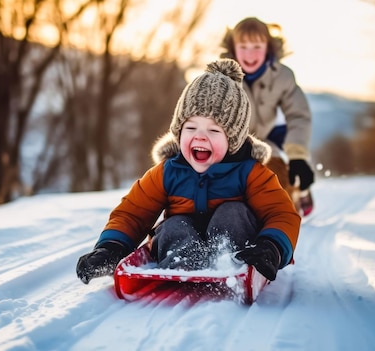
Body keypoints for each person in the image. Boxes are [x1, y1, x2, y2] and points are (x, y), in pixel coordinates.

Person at [76, 59, 301, 285]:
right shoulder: (168, 171)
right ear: (178, 132)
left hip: (236, 243)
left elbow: (281, 214)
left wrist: (271, 247)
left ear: (232, 139)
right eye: (190, 128)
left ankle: (228, 263)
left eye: (214, 130)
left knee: (232, 213)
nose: (200, 137)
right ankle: (183, 264)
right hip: (180, 245)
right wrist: (111, 247)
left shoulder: (251, 172)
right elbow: (132, 212)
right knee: (173, 226)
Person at [220, 17, 315, 216]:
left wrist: (298, 156)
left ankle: (298, 191)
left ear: (268, 47)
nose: (250, 53)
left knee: (277, 178)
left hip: (269, 137)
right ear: (233, 48)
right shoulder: (221, 78)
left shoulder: (282, 76)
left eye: (257, 46)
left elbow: (298, 116)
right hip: (231, 145)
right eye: (243, 46)